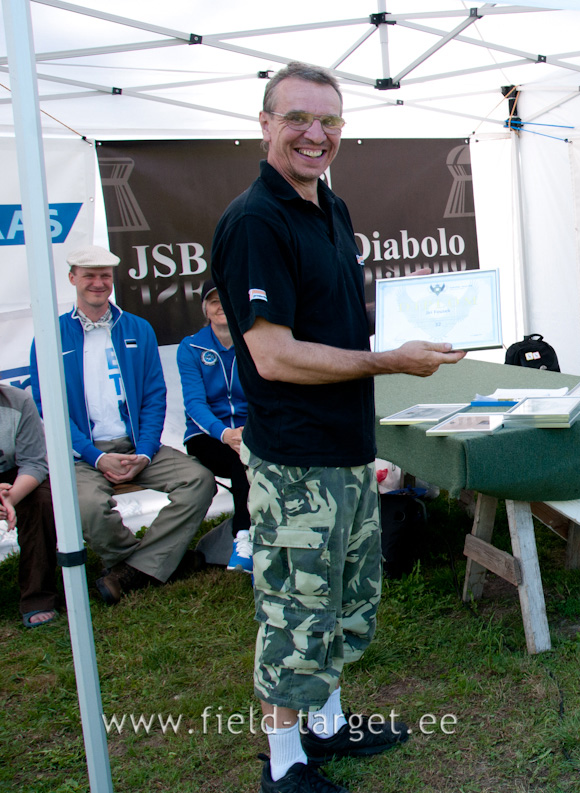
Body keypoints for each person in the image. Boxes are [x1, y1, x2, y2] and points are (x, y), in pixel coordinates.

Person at [210, 61, 465, 793]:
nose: (315, 135)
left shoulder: (331, 207)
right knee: (295, 611)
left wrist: (419, 334)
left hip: (348, 448)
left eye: (329, 121)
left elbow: (339, 321)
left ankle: (327, 725)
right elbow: (274, 354)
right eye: (298, 119)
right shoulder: (255, 220)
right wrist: (391, 358)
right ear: (265, 125)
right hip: (297, 459)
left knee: (346, 601)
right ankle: (284, 763)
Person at [29, 245, 216, 606]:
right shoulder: (50, 335)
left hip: (136, 446)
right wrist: (96, 457)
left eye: (104, 276)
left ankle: (130, 571)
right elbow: (48, 408)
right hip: (84, 454)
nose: (98, 283)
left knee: (199, 481)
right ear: (72, 279)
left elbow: (154, 394)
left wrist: (145, 451)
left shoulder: (137, 328)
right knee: (84, 506)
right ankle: (149, 563)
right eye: (89, 276)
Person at [177, 279, 252, 573]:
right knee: (240, 457)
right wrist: (225, 434)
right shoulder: (190, 347)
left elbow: (265, 394)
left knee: (251, 452)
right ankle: (243, 538)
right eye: (213, 301)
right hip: (206, 435)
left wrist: (248, 430)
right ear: (205, 310)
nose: (221, 307)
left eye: (226, 299)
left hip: (249, 429)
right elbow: (194, 405)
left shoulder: (252, 341)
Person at [0, 383, 60, 627]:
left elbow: (34, 463)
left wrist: (9, 501)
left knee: (42, 502)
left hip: (15, 477)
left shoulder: (18, 401)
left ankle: (38, 598)